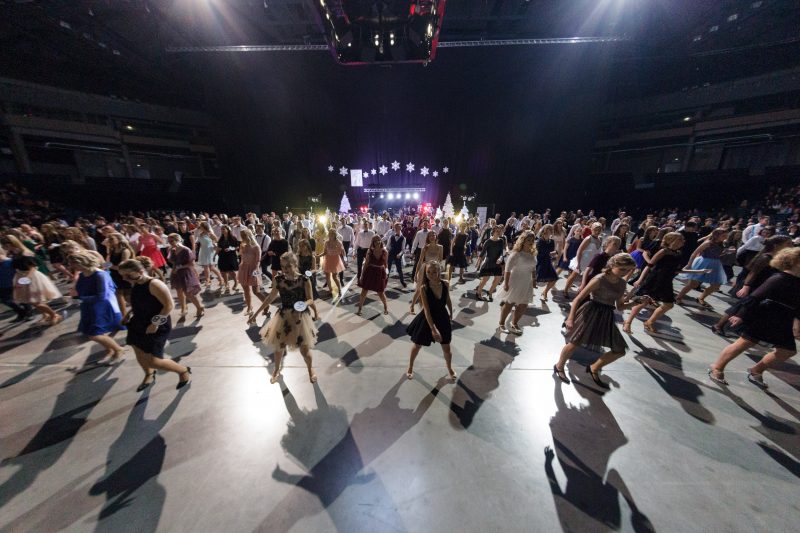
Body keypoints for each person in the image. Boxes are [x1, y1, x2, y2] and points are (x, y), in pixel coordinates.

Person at [708, 247, 800, 389]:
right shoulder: (779, 278)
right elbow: (755, 297)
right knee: (745, 342)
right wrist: (740, 315)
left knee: (787, 350)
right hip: (764, 315)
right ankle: (717, 367)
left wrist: (797, 323)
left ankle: (756, 370)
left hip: (783, 318)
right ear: (795, 262)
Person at [553, 253, 639, 389]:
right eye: (622, 269)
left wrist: (636, 302)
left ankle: (594, 367)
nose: (625, 273)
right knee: (574, 342)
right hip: (591, 312)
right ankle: (559, 366)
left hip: (606, 316)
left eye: (628, 270)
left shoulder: (622, 284)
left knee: (619, 349)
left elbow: (620, 306)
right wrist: (570, 318)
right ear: (612, 265)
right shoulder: (599, 279)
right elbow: (578, 298)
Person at [118, 259, 191, 391]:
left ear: (140, 271)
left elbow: (169, 306)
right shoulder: (136, 283)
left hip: (156, 324)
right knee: (139, 352)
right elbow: (140, 303)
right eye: (122, 275)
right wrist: (128, 314)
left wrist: (155, 324)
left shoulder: (155, 284)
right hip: (138, 322)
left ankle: (183, 370)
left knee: (154, 361)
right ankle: (149, 374)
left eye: (128, 275)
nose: (124, 278)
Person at [248, 252, 318, 384]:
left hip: (300, 318)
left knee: (304, 350)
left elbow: (310, 299)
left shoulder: (304, 279)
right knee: (279, 348)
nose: (285, 269)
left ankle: (310, 369)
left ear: (295, 264)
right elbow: (270, 297)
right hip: (284, 317)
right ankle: (276, 370)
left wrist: (302, 306)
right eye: (283, 266)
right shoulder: (278, 279)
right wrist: (256, 313)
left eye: (288, 266)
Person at [624, 232, 710, 334]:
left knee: (669, 304)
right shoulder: (663, 251)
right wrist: (640, 279)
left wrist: (699, 271)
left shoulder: (678, 253)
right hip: (655, 280)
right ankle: (628, 322)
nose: (683, 241)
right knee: (643, 302)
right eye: (680, 239)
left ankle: (649, 322)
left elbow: (677, 270)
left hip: (667, 281)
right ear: (671, 240)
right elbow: (649, 265)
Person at [712, 235, 793, 336]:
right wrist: (746, 286)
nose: (791, 246)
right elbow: (753, 273)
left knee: (745, 307)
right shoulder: (766, 257)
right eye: (788, 244)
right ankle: (719, 325)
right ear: (777, 245)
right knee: (741, 307)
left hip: (762, 286)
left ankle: (737, 329)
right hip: (754, 285)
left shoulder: (776, 258)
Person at [405, 261, 457, 381]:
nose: (431, 274)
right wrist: (433, 329)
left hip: (442, 317)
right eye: (428, 272)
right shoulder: (424, 288)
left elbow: (447, 299)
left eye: (434, 272)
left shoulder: (445, 284)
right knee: (417, 345)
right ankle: (410, 367)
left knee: (447, 348)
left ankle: (449, 368)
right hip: (427, 319)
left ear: (439, 271)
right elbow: (427, 311)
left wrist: (451, 312)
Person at [69, 251, 125, 361]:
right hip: (88, 307)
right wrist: (75, 295)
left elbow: (101, 296)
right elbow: (81, 291)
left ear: (82, 262)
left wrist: (80, 298)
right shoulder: (82, 275)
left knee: (94, 334)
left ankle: (118, 349)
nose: (71, 266)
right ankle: (110, 349)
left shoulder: (100, 275)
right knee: (97, 332)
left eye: (73, 263)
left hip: (101, 308)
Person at [496, 231, 537, 335]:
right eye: (528, 240)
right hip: (515, 281)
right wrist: (506, 283)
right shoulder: (516, 254)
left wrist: (534, 279)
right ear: (523, 240)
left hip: (527, 282)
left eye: (532, 240)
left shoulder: (533, 253)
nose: (531, 242)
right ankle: (501, 324)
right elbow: (507, 270)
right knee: (509, 303)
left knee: (523, 304)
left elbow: (533, 268)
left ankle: (514, 323)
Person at [675, 228, 729, 307]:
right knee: (693, 284)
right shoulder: (708, 243)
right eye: (723, 236)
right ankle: (678, 297)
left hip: (715, 264)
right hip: (703, 262)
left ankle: (701, 298)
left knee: (716, 285)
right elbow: (694, 253)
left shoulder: (722, 244)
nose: (725, 237)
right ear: (716, 235)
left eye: (726, 236)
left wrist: (726, 252)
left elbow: (717, 254)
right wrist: (689, 265)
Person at [12, 255, 62, 325]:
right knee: (33, 302)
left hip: (33, 279)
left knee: (36, 301)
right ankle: (46, 315)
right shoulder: (13, 257)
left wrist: (24, 281)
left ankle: (54, 315)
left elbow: (33, 269)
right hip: (22, 278)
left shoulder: (25, 256)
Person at [167, 233, 204, 319]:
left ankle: (199, 307)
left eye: (171, 241)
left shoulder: (186, 250)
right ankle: (184, 308)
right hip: (176, 273)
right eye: (169, 241)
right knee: (179, 292)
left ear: (177, 240)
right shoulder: (173, 250)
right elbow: (172, 261)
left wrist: (179, 267)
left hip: (185, 273)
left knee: (188, 293)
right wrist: (173, 268)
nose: (170, 243)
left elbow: (191, 264)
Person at [563, 222, 603, 296]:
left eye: (599, 230)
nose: (597, 232)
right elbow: (579, 251)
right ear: (592, 229)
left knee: (587, 278)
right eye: (595, 230)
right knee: (573, 276)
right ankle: (565, 290)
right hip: (582, 260)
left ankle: (581, 293)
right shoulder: (588, 238)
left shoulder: (600, 238)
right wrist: (578, 263)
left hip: (591, 261)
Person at [410, 231, 443, 314]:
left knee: (434, 289)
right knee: (419, 289)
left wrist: (439, 271)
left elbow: (440, 260)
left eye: (433, 235)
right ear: (428, 238)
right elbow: (420, 261)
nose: (432, 237)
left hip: (435, 270)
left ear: (436, 237)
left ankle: (431, 308)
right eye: (430, 236)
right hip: (425, 269)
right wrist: (415, 273)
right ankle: (412, 306)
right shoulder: (425, 248)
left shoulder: (440, 247)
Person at [356, 235, 389, 316]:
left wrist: (386, 274)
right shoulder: (369, 251)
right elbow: (366, 264)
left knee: (380, 292)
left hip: (380, 273)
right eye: (375, 241)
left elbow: (386, 264)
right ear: (373, 242)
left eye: (379, 240)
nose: (377, 242)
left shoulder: (385, 251)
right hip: (370, 272)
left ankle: (385, 308)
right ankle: (359, 309)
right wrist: (362, 276)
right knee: (364, 291)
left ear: (381, 241)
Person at [236, 228, 266, 316]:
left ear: (248, 236)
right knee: (246, 290)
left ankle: (266, 305)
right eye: (241, 236)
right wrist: (241, 248)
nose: (242, 238)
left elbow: (258, 261)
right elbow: (240, 256)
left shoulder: (256, 247)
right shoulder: (243, 245)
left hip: (253, 269)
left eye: (243, 236)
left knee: (256, 291)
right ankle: (249, 307)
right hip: (243, 269)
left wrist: (255, 271)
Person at [474, 225, 506, 301]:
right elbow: (482, 254)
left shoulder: (501, 241)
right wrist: (478, 263)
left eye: (500, 231)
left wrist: (500, 258)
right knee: (485, 279)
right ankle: (478, 293)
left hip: (497, 263)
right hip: (489, 262)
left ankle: (490, 292)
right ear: (493, 232)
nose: (499, 232)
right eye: (497, 231)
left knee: (498, 279)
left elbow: (501, 253)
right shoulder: (488, 241)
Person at [196, 221, 222, 291]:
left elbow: (217, 240)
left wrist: (213, 243)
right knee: (205, 267)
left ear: (204, 226)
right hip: (203, 250)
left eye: (201, 226)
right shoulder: (200, 234)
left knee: (211, 267)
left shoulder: (210, 233)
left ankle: (220, 278)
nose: (200, 227)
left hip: (210, 251)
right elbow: (199, 242)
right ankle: (208, 280)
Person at [535, 224, 559, 301]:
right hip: (540, 262)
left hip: (548, 262)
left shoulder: (551, 241)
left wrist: (554, 254)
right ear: (545, 230)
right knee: (535, 280)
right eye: (549, 229)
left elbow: (551, 252)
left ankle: (545, 292)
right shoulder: (540, 241)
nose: (551, 231)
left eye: (552, 229)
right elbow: (539, 253)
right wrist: (552, 253)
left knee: (554, 278)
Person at [321, 228, 345, 298]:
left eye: (332, 233)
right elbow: (325, 252)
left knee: (335, 277)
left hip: (335, 260)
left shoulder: (338, 242)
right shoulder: (326, 242)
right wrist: (318, 256)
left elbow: (343, 252)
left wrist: (345, 260)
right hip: (328, 259)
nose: (330, 235)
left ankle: (339, 290)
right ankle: (330, 290)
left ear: (335, 235)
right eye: (330, 233)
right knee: (327, 276)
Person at [217, 225, 241, 294]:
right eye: (221, 229)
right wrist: (217, 250)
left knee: (231, 271)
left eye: (224, 229)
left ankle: (236, 282)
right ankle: (226, 284)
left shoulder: (233, 238)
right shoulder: (221, 238)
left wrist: (230, 249)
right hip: (222, 256)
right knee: (223, 271)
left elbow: (237, 247)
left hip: (231, 256)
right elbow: (219, 247)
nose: (222, 230)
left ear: (228, 230)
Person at [387, 223, 407, 288]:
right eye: (395, 228)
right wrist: (390, 250)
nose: (396, 229)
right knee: (388, 268)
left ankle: (402, 281)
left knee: (399, 269)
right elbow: (387, 246)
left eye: (398, 228)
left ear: (400, 228)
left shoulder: (403, 238)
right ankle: (385, 281)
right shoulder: (391, 236)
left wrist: (400, 254)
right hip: (391, 254)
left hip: (398, 255)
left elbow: (403, 249)